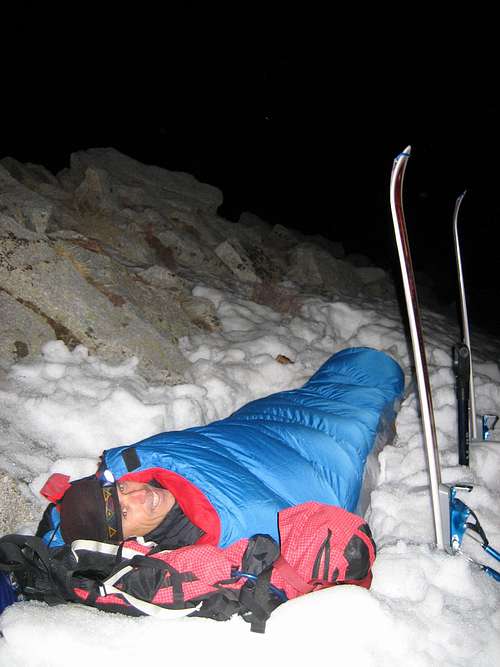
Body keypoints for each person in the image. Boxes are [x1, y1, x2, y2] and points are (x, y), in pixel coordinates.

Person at [37, 347, 404, 551]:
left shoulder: (140, 466)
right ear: (129, 540)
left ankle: (362, 364)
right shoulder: (213, 542)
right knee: (357, 413)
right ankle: (375, 368)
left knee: (307, 403)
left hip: (257, 426)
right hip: (324, 453)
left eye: (120, 489)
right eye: (124, 513)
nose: (137, 494)